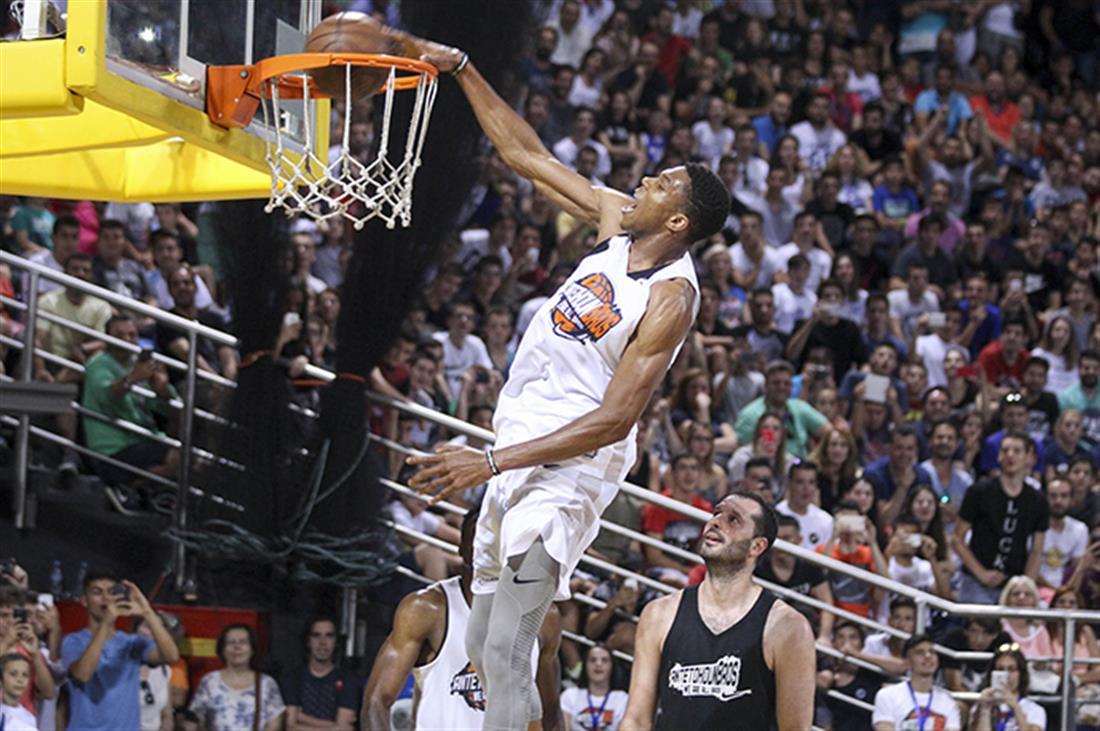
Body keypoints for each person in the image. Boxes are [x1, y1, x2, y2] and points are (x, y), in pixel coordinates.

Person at [402, 27, 732, 731]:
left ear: (677, 219)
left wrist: (489, 461)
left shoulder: (671, 297)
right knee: (482, 651)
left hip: (570, 469)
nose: (642, 181)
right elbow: (527, 156)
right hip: (519, 444)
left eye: (660, 183)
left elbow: (615, 420)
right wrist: (462, 67)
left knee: (507, 649)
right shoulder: (617, 225)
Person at [620, 491, 815, 730]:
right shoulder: (659, 613)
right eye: (716, 513)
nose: (715, 522)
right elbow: (636, 719)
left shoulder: (788, 627)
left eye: (733, 519)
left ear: (756, 546)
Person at [361, 509, 562, 731]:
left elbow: (551, 712)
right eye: (480, 539)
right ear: (462, 547)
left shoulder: (544, 617)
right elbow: (376, 701)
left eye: (496, 539)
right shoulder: (427, 609)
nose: (487, 548)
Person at [62, 571, 180, 731]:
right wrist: (105, 624)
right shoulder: (73, 641)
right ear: (84, 600)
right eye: (97, 592)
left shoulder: (131, 642)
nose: (105, 598)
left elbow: (171, 655)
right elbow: (83, 674)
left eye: (111, 592)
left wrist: (147, 612)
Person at [953, 433, 1049, 604]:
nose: (1010, 455)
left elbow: (1037, 550)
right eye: (1005, 450)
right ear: (998, 456)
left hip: (1014, 584)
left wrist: (1026, 585)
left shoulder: (1038, 500)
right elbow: (957, 539)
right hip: (976, 580)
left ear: (1029, 457)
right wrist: (981, 573)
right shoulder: (979, 491)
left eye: (1017, 451)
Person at [753, 515, 835, 647]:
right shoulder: (758, 568)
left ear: (799, 539)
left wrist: (824, 636)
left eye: (786, 538)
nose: (782, 544)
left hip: (806, 631)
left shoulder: (810, 566)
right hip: (768, 631)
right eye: (778, 539)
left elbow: (827, 604)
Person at [189, 624, 284, 731]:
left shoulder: (267, 683)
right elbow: (197, 721)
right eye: (231, 642)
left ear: (252, 649)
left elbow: (274, 724)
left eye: (243, 642)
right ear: (222, 649)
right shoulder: (209, 681)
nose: (237, 647)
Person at [734, 360, 829, 458]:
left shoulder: (800, 407)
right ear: (766, 385)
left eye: (786, 383)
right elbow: (743, 451)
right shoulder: (750, 414)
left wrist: (815, 456)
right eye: (776, 383)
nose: (781, 387)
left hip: (801, 464)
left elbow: (830, 433)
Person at [280, 617, 359, 731]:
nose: (322, 642)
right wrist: (333, 727)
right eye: (316, 635)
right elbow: (290, 727)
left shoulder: (348, 680)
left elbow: (344, 729)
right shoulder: (294, 678)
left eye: (329, 636)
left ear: (336, 642)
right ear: (308, 641)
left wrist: (302, 717)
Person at [871, 634, 962, 731]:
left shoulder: (947, 701)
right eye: (920, 652)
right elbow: (884, 727)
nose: (928, 656)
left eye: (932, 652)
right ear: (907, 662)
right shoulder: (887, 695)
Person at [969, 646, 1045, 731]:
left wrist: (1015, 707)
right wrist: (985, 710)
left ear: (1021, 674)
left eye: (1011, 669)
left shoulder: (1034, 709)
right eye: (1000, 669)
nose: (1006, 674)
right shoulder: (980, 706)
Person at [559, 644, 628, 731]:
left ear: (612, 666)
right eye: (593, 660)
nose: (598, 664)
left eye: (604, 660)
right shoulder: (569, 695)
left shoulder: (623, 699)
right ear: (585, 665)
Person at [1038, 477, 1089, 592]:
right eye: (1053, 496)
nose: (1058, 501)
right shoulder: (1032, 526)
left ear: (1071, 499)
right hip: (1036, 587)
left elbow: (1077, 568)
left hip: (1066, 588)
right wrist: (1054, 590)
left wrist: (1065, 590)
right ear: (1045, 498)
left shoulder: (1080, 529)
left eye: (1064, 496)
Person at [775, 462, 834, 552]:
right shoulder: (775, 514)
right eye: (800, 482)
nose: (806, 488)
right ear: (789, 484)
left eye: (811, 482)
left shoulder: (826, 520)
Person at [0, 654, 36, 731]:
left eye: (25, 675)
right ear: (1, 678)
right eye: (13, 674)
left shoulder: (30, 718)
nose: (20, 680)